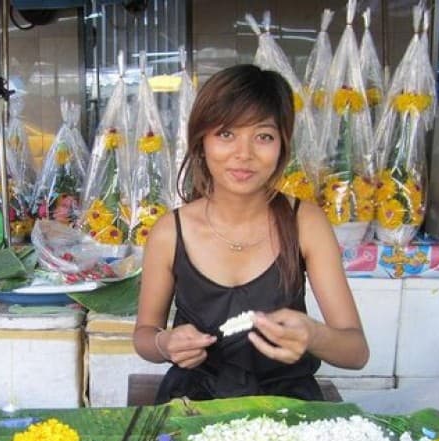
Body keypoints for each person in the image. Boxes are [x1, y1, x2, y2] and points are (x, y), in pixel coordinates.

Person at [132, 64, 369, 403]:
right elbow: (144, 335)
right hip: (194, 405)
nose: (244, 154)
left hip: (287, 405)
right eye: (226, 134)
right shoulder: (170, 232)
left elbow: (356, 352)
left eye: (263, 136)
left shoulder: (306, 223)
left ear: (282, 145)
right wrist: (164, 343)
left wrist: (314, 336)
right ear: (201, 141)